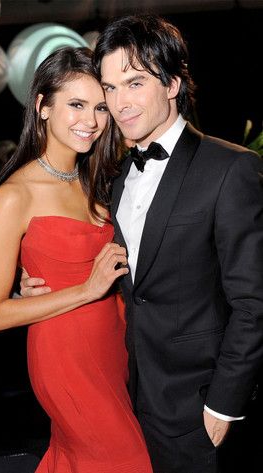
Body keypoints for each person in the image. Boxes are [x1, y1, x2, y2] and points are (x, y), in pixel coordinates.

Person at [21, 15, 263, 473]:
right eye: (110, 88)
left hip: (197, 407)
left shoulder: (231, 169)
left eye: (133, 83)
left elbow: (253, 303)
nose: (118, 103)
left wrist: (224, 405)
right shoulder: (111, 176)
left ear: (172, 83)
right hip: (121, 392)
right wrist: (31, 280)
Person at [0, 47, 153, 473]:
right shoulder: (13, 194)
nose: (90, 121)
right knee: (129, 461)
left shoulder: (100, 179)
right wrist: (86, 289)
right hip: (65, 357)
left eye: (99, 108)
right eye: (75, 104)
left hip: (114, 346)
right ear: (41, 106)